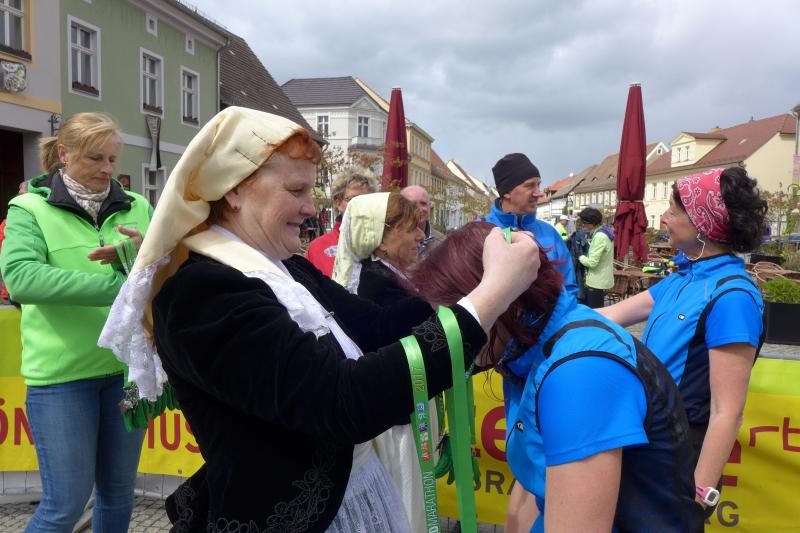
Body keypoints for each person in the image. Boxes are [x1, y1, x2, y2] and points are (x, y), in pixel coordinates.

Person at [98, 107, 541, 533]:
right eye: (296, 191)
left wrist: (468, 280)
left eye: (310, 191)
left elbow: (377, 328)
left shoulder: (286, 266)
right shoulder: (201, 293)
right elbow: (340, 401)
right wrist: (487, 299)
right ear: (232, 190)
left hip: (353, 496)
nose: (311, 208)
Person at [413, 221, 701, 531]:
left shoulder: (579, 370)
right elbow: (532, 480)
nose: (451, 336)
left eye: (459, 316)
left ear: (505, 298)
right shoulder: (527, 344)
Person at [0, 112, 152, 532]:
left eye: (113, 159)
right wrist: (117, 288)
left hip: (129, 375)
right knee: (63, 507)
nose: (107, 169)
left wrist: (147, 258)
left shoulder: (139, 206)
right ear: (64, 154)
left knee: (119, 495)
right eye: (95, 158)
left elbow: (167, 269)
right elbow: (22, 278)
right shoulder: (29, 208)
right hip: (62, 378)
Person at [598, 167, 766, 521]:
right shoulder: (682, 279)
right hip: (648, 439)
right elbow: (608, 315)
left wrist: (699, 496)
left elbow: (727, 412)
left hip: (680, 453)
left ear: (702, 223)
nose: (663, 218)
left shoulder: (732, 297)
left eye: (674, 211)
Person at [332, 191, 430, 531]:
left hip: (404, 418)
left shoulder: (389, 277)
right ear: (382, 239)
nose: (421, 236)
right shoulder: (376, 286)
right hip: (395, 428)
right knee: (405, 508)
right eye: (411, 228)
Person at [485, 153, 578, 297]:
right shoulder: (480, 233)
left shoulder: (550, 234)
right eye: (530, 186)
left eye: (538, 185)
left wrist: (552, 311)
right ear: (507, 192)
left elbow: (569, 287)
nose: (538, 193)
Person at [306, 167, 376, 277]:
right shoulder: (318, 248)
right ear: (338, 203)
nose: (362, 206)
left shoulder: (381, 244)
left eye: (368, 200)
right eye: (354, 200)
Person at [577, 207, 615, 309]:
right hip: (602, 279)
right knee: (598, 310)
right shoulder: (606, 231)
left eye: (584, 223)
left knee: (595, 312)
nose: (583, 225)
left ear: (591, 222)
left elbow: (592, 263)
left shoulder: (599, 236)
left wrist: (580, 256)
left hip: (596, 281)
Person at [401, 184, 444, 255]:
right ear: (401, 208)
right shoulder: (390, 240)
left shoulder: (442, 243)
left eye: (423, 204)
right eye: (413, 204)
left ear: (429, 207)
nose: (419, 209)